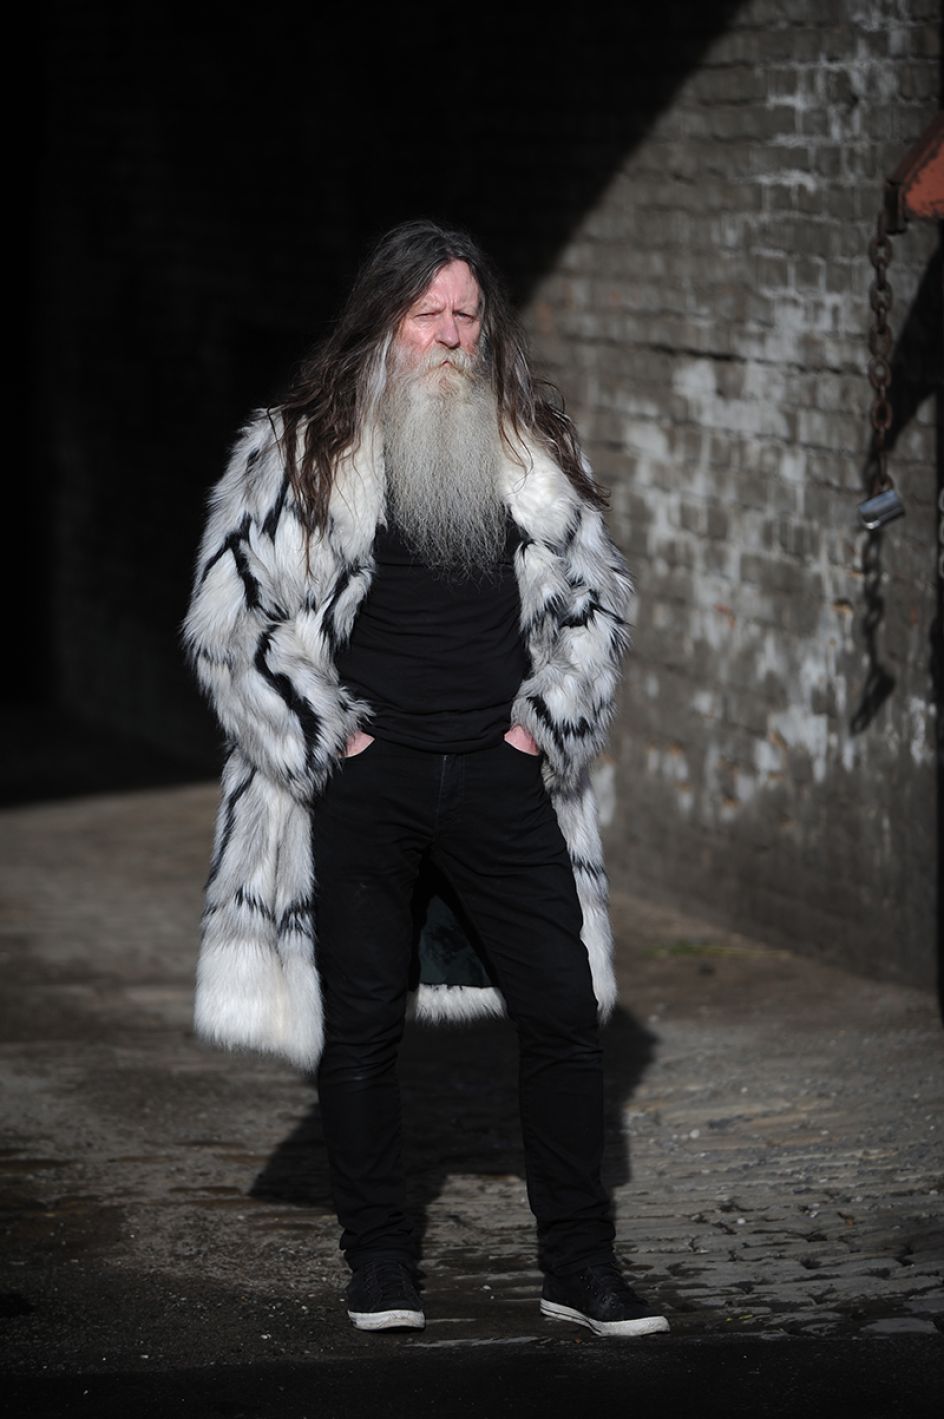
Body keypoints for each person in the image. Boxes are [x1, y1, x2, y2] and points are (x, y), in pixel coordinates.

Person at [183, 219, 669, 1339]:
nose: (450, 336)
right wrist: (327, 738)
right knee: (361, 1029)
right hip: (367, 778)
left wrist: (545, 721)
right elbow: (231, 625)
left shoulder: (531, 441)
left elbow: (596, 600)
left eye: (466, 315)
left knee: (563, 1012)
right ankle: (379, 1260)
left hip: (502, 773)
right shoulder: (300, 448)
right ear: (383, 322)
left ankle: (579, 1267)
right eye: (426, 316)